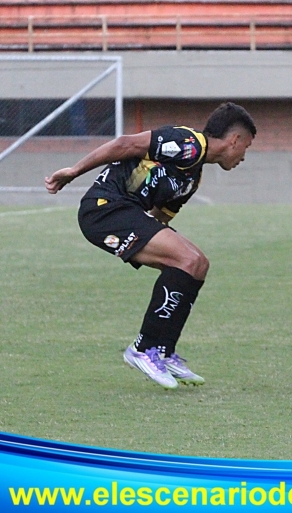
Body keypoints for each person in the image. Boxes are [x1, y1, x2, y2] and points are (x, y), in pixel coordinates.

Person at [44, 102, 256, 389]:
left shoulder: (192, 177)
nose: (244, 156)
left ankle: (163, 351)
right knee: (187, 259)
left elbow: (159, 219)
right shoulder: (188, 143)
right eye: (246, 147)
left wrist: (164, 259)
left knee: (197, 264)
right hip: (104, 208)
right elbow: (124, 144)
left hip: (126, 216)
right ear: (235, 140)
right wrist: (73, 171)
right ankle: (142, 349)